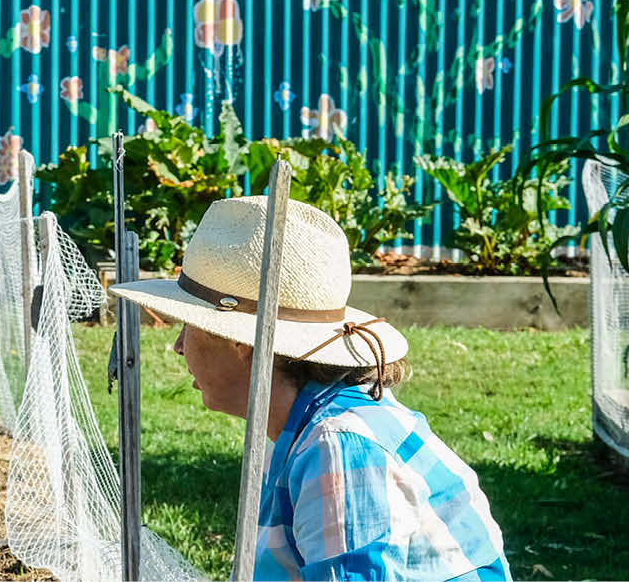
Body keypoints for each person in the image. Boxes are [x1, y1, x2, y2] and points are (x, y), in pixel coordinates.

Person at [108, 197, 510, 581]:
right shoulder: (311, 426)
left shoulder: (336, 448)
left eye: (188, 327)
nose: (178, 346)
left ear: (243, 344)